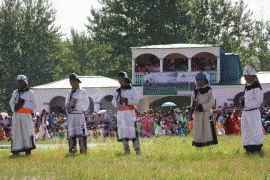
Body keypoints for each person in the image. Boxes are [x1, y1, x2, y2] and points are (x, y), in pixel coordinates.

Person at [112, 72, 141, 155]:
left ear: (125, 80)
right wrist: (118, 103)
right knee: (123, 132)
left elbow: (136, 100)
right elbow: (113, 101)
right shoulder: (117, 91)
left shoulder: (132, 90)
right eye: (119, 79)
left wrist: (126, 100)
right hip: (121, 114)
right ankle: (126, 151)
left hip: (129, 114)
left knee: (133, 132)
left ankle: (137, 150)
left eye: (122, 79)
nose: (120, 81)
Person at [9, 75, 36, 156]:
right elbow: (11, 102)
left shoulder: (30, 93)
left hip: (25, 115)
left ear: (25, 82)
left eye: (21, 82)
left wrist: (23, 103)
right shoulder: (15, 92)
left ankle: (28, 149)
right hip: (17, 116)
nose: (20, 83)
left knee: (26, 132)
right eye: (19, 82)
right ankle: (16, 149)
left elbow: (33, 105)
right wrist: (15, 106)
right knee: (17, 132)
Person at [240, 65, 264, 155]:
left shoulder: (256, 86)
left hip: (253, 112)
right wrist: (243, 102)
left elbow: (258, 101)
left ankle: (257, 148)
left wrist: (245, 103)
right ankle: (248, 147)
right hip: (246, 112)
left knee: (255, 129)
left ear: (253, 76)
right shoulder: (247, 86)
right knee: (246, 130)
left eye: (249, 77)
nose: (247, 79)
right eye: (246, 77)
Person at [191, 72, 218, 147]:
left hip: (206, 113)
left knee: (207, 128)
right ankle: (198, 144)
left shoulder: (209, 90)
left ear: (205, 80)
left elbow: (212, 102)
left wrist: (201, 107)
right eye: (198, 80)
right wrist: (194, 103)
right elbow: (192, 102)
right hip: (198, 114)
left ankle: (208, 143)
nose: (199, 82)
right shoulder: (195, 91)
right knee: (198, 128)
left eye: (201, 80)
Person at [66, 73, 89, 154]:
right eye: (72, 82)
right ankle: (72, 150)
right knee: (72, 133)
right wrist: (68, 106)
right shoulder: (69, 92)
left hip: (79, 114)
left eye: (75, 82)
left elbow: (86, 105)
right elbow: (66, 103)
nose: (73, 84)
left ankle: (83, 150)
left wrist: (75, 103)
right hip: (71, 115)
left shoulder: (83, 92)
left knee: (81, 133)